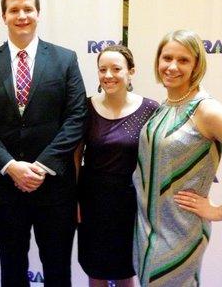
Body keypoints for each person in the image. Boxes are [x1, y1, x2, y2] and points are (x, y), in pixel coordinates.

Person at [0, 0, 87, 287]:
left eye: (28, 9)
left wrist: (40, 165)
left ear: (38, 14)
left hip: (54, 186)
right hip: (6, 186)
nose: (22, 15)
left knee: (58, 266)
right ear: (3, 16)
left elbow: (75, 118)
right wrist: (11, 166)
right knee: (11, 265)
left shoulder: (65, 60)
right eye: (14, 10)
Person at [133, 30, 222, 286]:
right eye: (166, 58)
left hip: (181, 232)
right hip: (147, 231)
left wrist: (221, 211)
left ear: (197, 64)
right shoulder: (165, 105)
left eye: (183, 60)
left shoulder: (207, 111)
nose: (172, 66)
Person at [75, 45, 158, 287]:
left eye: (116, 69)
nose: (108, 75)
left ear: (131, 72)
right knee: (95, 269)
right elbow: (75, 157)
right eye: (102, 69)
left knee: (126, 270)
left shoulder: (151, 110)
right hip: (92, 202)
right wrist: (74, 199)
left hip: (130, 203)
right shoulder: (86, 107)